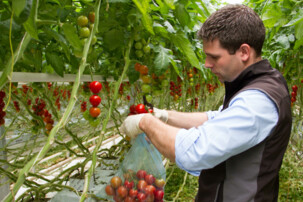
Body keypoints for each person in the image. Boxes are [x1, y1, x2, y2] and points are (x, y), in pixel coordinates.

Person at [120, 4, 292, 202]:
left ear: (244, 52)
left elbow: (194, 152)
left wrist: (145, 123)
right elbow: (215, 119)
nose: (207, 64)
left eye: (214, 57)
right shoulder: (252, 87)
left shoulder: (258, 101)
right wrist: (164, 116)